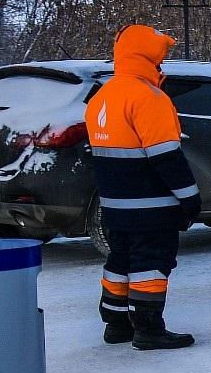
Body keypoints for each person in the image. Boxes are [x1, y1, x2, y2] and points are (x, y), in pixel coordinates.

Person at [86, 24, 200, 350]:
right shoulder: (150, 98)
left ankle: (116, 324)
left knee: (120, 261)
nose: (162, 65)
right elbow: (166, 158)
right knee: (151, 263)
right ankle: (149, 328)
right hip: (151, 206)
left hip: (114, 206)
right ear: (148, 58)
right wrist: (190, 198)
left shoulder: (101, 97)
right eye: (160, 59)